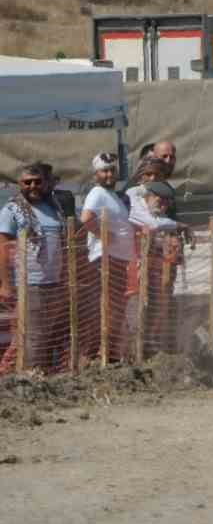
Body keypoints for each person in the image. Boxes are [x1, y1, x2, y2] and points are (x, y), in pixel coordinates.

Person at [0, 162, 69, 372]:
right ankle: (27, 377)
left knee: (48, 334)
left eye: (37, 182)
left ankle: (42, 374)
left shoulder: (53, 208)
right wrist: (5, 284)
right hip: (30, 283)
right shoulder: (12, 209)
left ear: (45, 183)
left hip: (54, 282)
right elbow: (2, 247)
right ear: (20, 184)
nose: (32, 186)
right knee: (32, 334)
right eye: (27, 182)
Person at [80, 152, 135, 363]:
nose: (109, 174)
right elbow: (85, 219)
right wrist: (104, 235)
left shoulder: (112, 196)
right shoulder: (98, 192)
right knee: (109, 308)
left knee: (115, 308)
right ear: (96, 174)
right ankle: (99, 355)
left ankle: (108, 353)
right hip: (106, 259)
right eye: (104, 171)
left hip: (117, 259)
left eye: (112, 170)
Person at [128, 180, 184, 354]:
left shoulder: (161, 219)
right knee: (136, 322)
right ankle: (134, 356)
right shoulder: (137, 211)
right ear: (149, 197)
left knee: (157, 321)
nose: (164, 205)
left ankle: (153, 355)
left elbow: (173, 255)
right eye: (161, 200)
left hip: (157, 283)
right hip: (135, 282)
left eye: (168, 202)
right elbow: (151, 225)